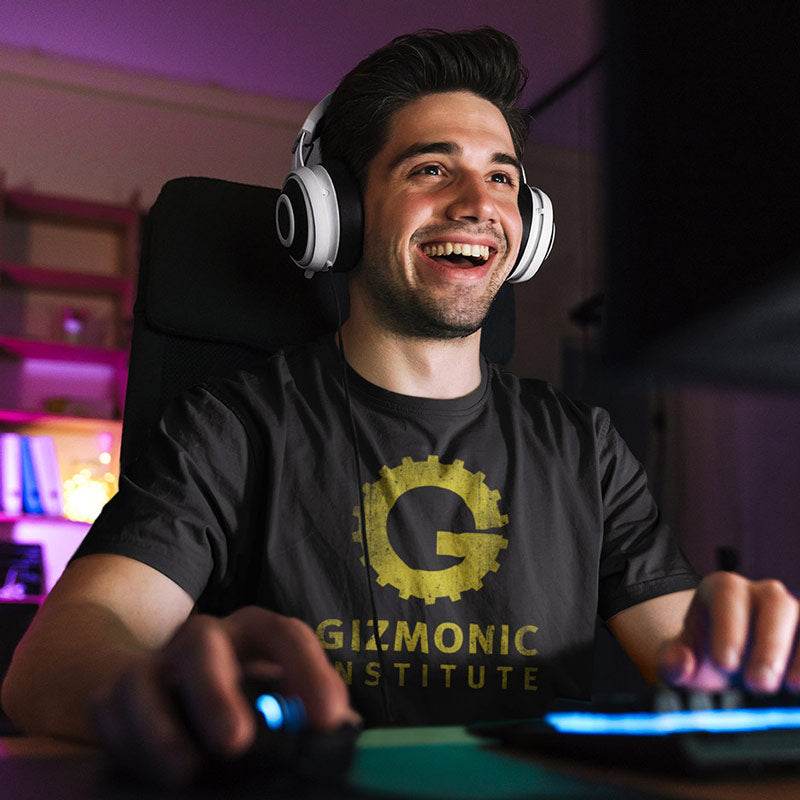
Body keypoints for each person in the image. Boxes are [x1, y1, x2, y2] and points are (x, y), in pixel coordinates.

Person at [3, 27, 800, 786]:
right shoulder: (232, 428)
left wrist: (747, 655)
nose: (477, 203)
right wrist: (146, 684)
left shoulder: (584, 447)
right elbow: (59, 653)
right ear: (338, 215)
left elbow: (693, 660)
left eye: (502, 177)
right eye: (430, 169)